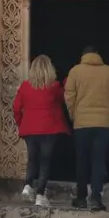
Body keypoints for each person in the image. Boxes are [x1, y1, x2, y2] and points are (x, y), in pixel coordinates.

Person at [64, 44, 109, 211]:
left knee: (82, 160)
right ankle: (96, 198)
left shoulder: (75, 71)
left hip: (81, 123)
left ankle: (81, 197)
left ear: (83, 56)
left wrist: (73, 114)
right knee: (98, 161)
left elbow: (69, 96)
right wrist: (105, 102)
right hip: (103, 124)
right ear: (98, 55)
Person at [12, 54, 70, 208]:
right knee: (45, 161)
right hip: (49, 128)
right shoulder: (54, 87)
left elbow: (16, 107)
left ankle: (27, 186)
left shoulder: (25, 86)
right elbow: (63, 100)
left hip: (30, 129)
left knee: (32, 159)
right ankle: (40, 195)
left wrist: (21, 123)